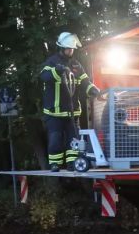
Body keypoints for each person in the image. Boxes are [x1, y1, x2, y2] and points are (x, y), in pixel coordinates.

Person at [39, 31, 100, 172]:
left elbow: (85, 82)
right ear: (61, 48)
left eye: (72, 48)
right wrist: (57, 71)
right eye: (68, 48)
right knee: (55, 140)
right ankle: (55, 164)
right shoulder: (52, 62)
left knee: (74, 141)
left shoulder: (76, 65)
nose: (70, 51)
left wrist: (93, 90)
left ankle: (73, 163)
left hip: (72, 112)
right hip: (54, 112)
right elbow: (44, 76)